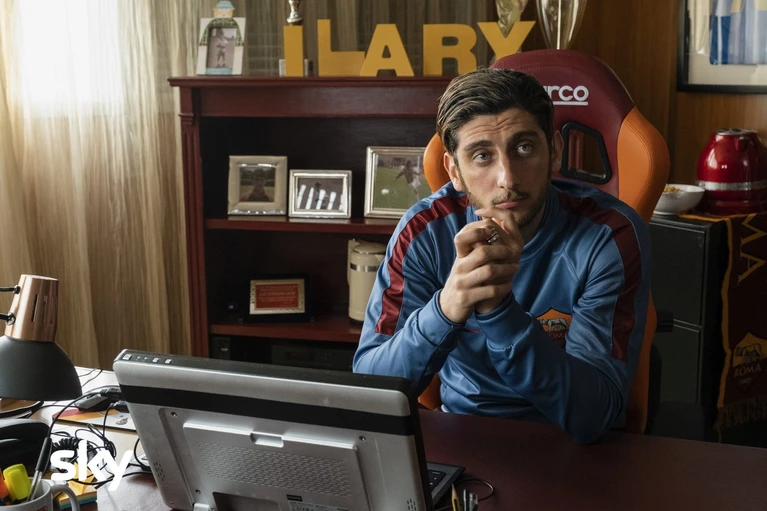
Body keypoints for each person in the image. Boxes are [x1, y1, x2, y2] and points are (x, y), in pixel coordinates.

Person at [352, 68, 651, 444]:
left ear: (554, 151)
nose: (507, 178)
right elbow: (371, 391)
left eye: (524, 148)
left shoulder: (609, 235)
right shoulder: (424, 232)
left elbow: (594, 416)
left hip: (569, 445)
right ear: (454, 171)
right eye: (482, 156)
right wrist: (446, 307)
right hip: (462, 432)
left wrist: (499, 312)